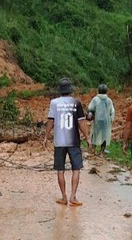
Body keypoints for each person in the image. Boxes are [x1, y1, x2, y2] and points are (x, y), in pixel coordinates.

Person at [43, 78, 90, 207]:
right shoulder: (76, 102)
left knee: (60, 170)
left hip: (59, 142)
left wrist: (46, 136)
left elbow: (50, 121)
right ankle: (73, 197)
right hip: (74, 141)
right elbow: (81, 122)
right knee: (76, 169)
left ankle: (64, 197)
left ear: (60, 90)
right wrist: (88, 137)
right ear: (70, 90)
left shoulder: (54, 103)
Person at [87, 84, 115, 156]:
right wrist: (111, 120)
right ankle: (102, 151)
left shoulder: (95, 99)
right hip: (106, 121)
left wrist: (90, 115)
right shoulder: (109, 100)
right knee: (104, 136)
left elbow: (90, 108)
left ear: (98, 91)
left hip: (97, 120)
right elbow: (112, 111)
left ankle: (93, 149)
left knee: (95, 133)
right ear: (106, 91)